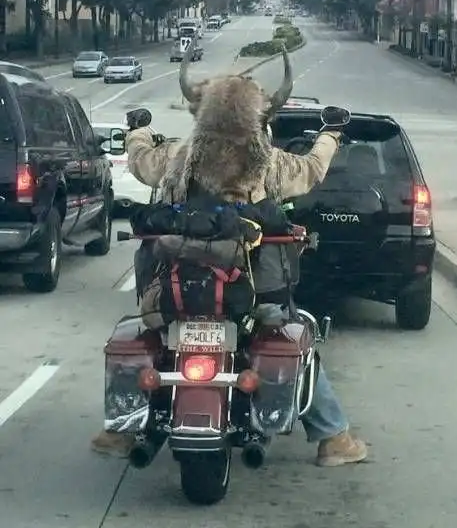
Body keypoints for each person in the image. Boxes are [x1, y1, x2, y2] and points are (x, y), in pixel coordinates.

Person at [91, 45, 367, 467]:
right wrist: (330, 134)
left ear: (199, 112)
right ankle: (333, 438)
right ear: (259, 117)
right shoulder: (267, 161)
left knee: (150, 336)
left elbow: (142, 163)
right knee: (295, 339)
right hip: (249, 290)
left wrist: (138, 131)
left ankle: (120, 431)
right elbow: (311, 170)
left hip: (178, 285)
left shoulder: (179, 155)